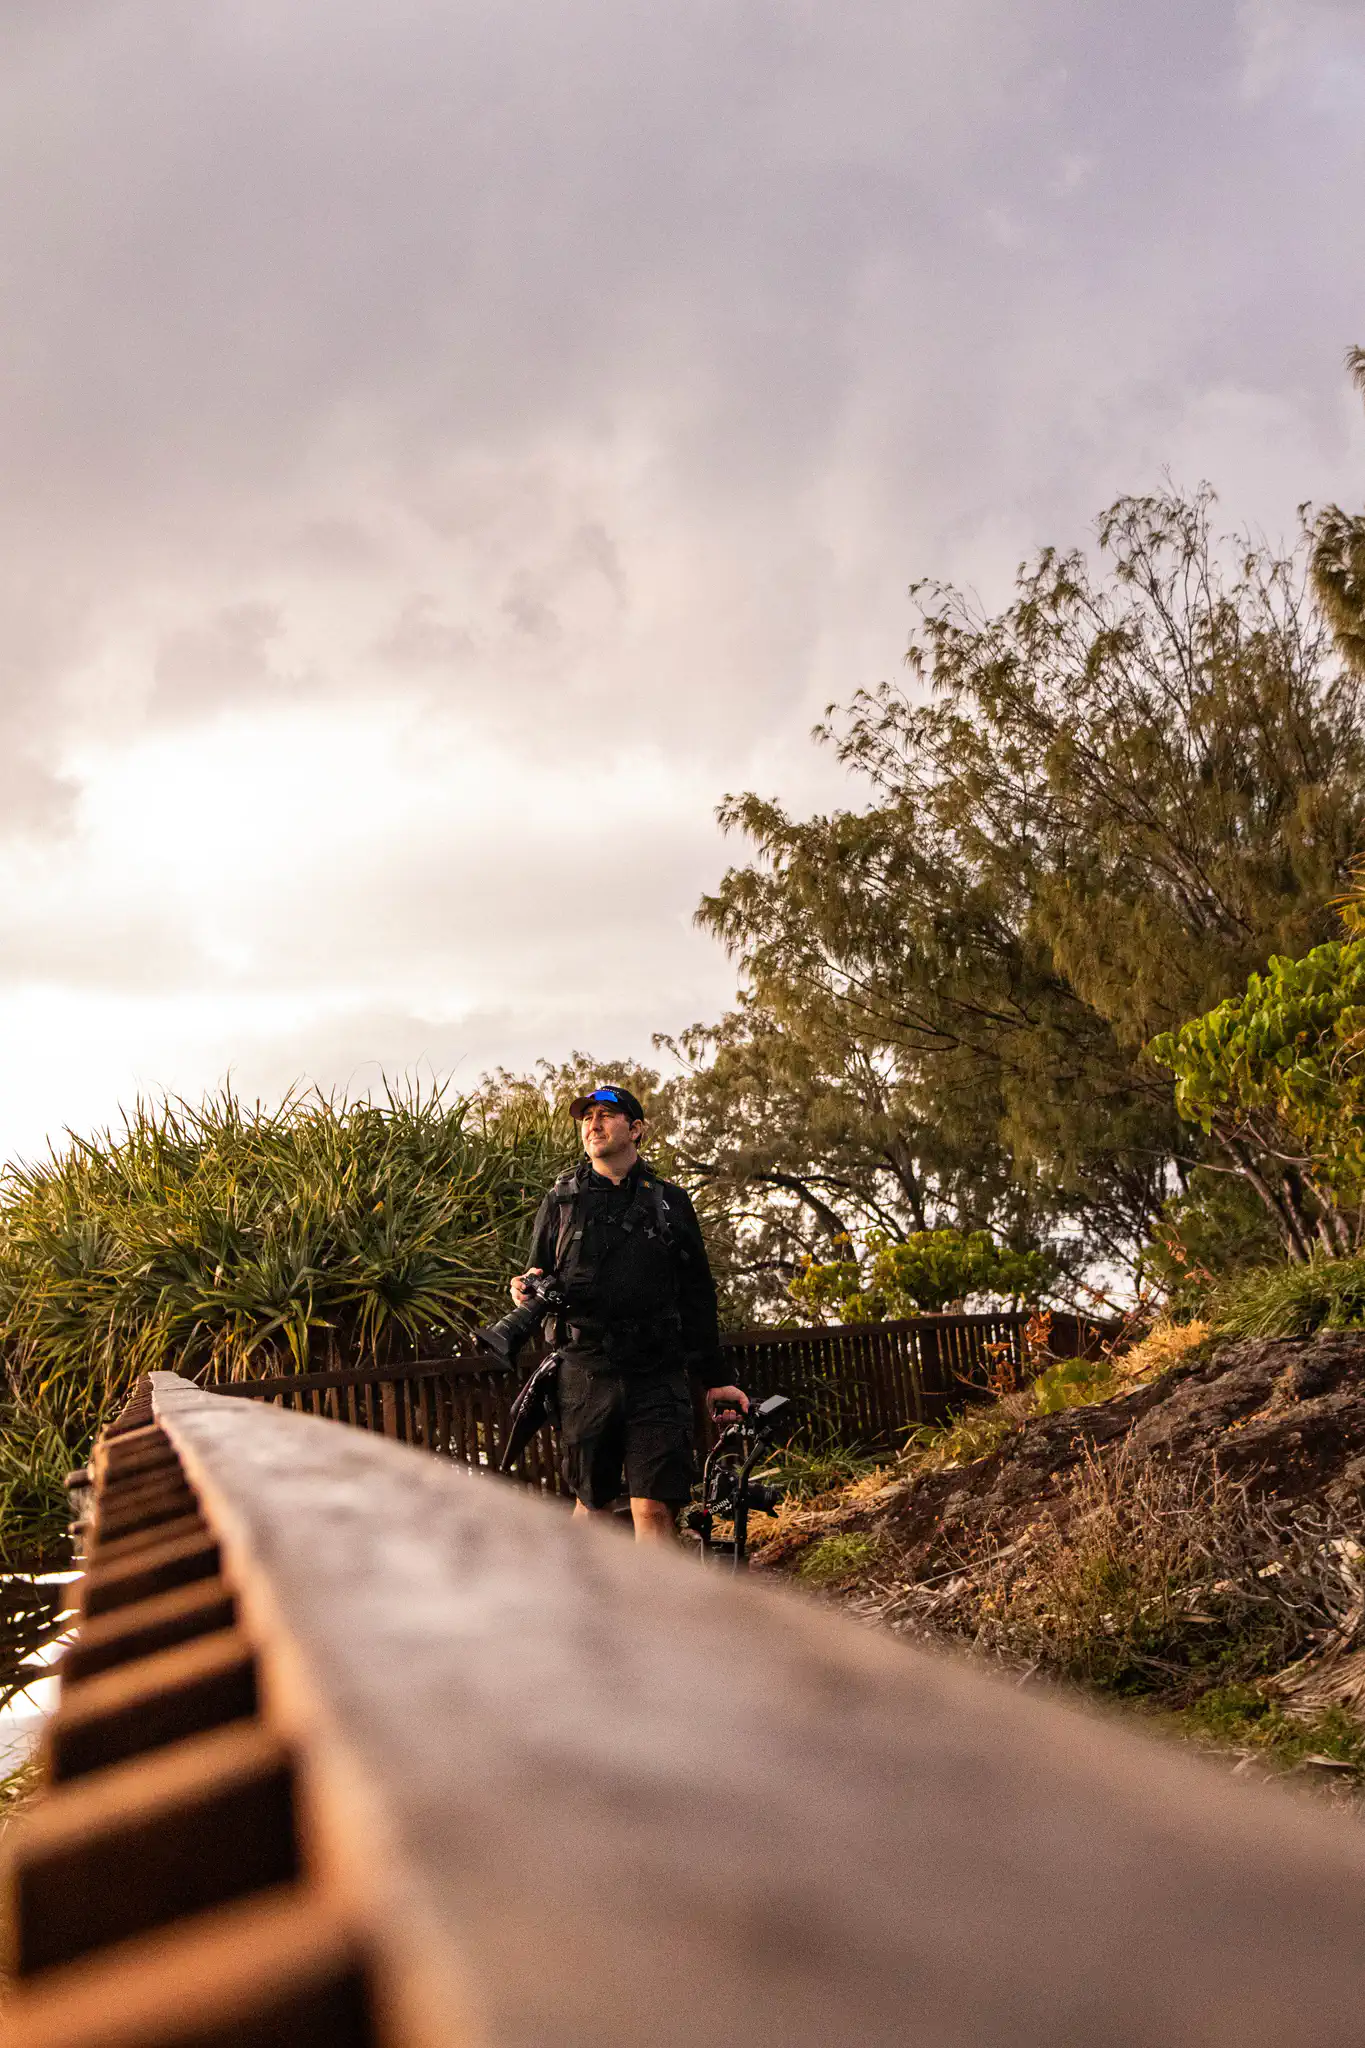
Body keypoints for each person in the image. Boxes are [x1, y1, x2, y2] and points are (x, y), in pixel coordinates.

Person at [510, 1084, 748, 1543]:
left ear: (636, 1129)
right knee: (592, 1506)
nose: (593, 1124)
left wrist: (715, 1376)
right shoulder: (561, 1200)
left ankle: (656, 1612)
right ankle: (585, 1611)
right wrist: (522, 1290)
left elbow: (698, 1294)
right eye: (586, 1117)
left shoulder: (670, 1202)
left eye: (605, 1115)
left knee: (655, 1507)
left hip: (657, 1374)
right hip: (584, 1373)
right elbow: (534, 1274)